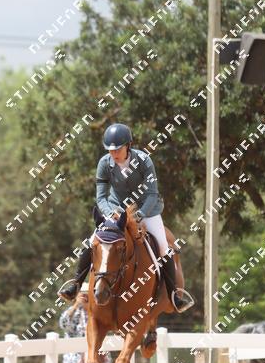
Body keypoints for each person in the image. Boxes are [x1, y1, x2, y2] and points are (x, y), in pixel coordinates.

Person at [58, 123, 194, 313]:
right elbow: (101, 197)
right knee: (91, 242)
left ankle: (175, 296)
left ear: (128, 146)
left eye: (117, 149)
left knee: (164, 248)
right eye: (110, 150)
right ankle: (75, 285)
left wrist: (139, 215)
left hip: (147, 210)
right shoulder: (104, 163)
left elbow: (152, 194)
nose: (113, 153)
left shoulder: (144, 160)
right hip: (116, 211)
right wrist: (109, 213)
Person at [59, 283, 111, 363]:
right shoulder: (74, 312)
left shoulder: (99, 312)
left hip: (97, 353)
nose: (86, 298)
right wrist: (76, 305)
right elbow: (64, 325)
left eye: (88, 295)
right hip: (76, 356)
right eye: (83, 295)